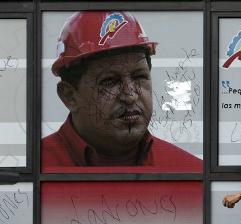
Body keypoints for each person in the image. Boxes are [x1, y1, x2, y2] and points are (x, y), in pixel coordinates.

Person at [42, 11, 202, 172]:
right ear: (69, 96)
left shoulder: (192, 173)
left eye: (139, 76)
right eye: (110, 81)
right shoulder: (32, 173)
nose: (130, 96)